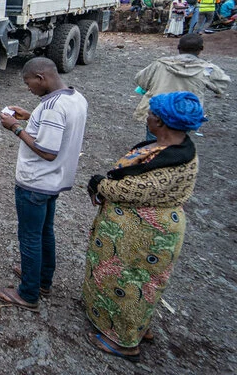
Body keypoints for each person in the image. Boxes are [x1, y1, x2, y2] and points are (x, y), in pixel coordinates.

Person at [83, 92, 204, 363]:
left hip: (145, 235)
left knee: (132, 283)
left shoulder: (173, 163)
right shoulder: (172, 149)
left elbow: (129, 189)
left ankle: (125, 343)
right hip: (136, 232)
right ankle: (132, 327)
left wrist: (99, 184)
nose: (146, 117)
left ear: (160, 122)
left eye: (150, 114)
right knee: (133, 281)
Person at [0, 57, 87, 311]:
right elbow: (57, 128)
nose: (28, 88)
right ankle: (42, 280)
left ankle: (28, 292)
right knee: (45, 231)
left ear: (41, 77)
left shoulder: (53, 108)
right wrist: (31, 115)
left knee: (30, 236)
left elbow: (47, 150)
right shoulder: (75, 98)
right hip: (55, 181)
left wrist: (15, 127)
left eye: (29, 82)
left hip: (36, 182)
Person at [133, 33, 229, 138]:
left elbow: (140, 80)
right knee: (177, 145)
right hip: (184, 115)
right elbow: (222, 85)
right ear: (201, 49)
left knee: (153, 146)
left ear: (178, 47)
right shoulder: (207, 69)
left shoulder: (160, 64)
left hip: (158, 113)